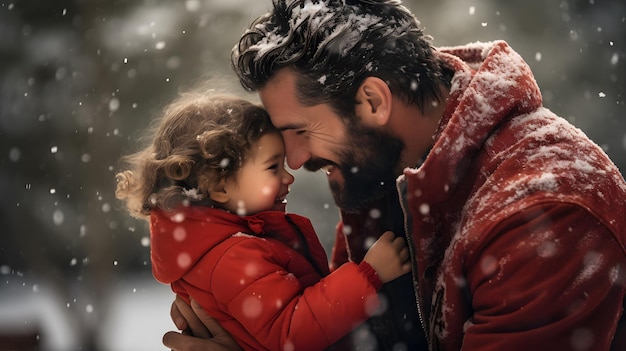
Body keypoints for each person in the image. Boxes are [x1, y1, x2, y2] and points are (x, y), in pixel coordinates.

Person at [162, 0, 626, 350]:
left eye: (299, 131)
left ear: (374, 102)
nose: (296, 160)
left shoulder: (544, 211)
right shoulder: (384, 173)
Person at [115, 91, 412, 351]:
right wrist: (369, 275)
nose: (289, 176)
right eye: (273, 167)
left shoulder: (224, 247)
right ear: (220, 187)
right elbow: (292, 331)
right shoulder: (234, 257)